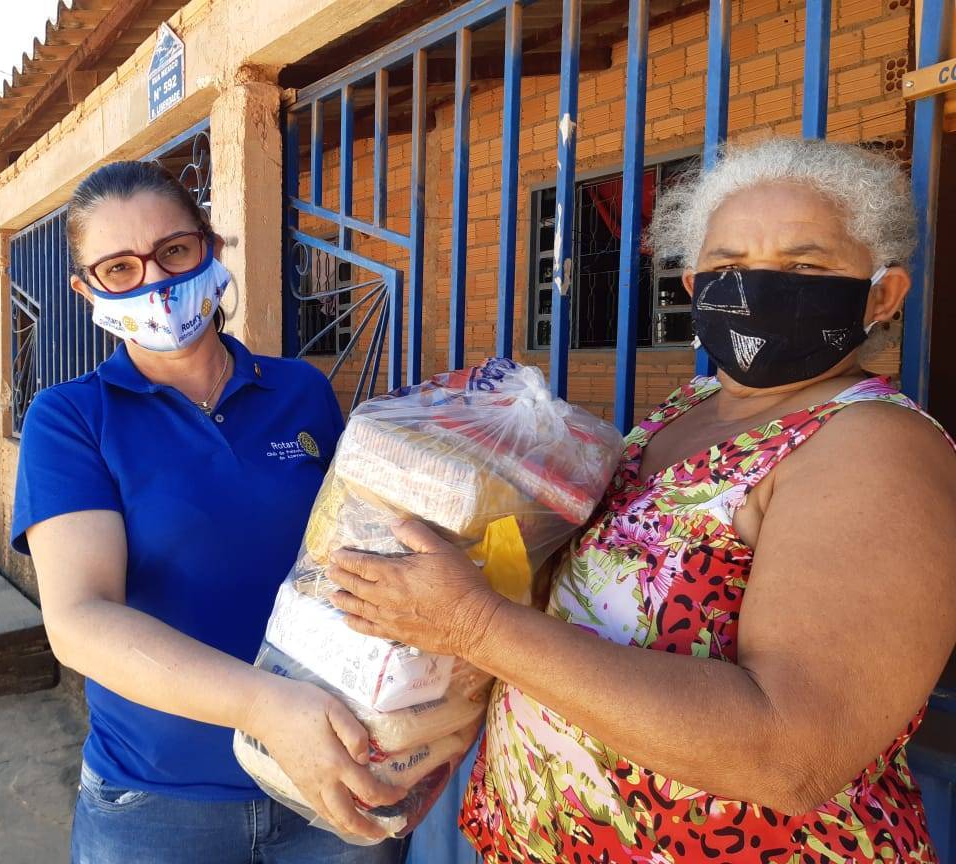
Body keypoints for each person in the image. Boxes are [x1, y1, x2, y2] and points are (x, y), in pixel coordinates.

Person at [326, 138, 956, 862]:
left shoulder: (875, 446)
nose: (755, 287)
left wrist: (472, 624)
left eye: (803, 267)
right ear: (693, 286)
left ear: (882, 293)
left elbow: (791, 754)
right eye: (728, 266)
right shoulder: (688, 408)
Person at [11, 161, 405, 863]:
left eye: (174, 252)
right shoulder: (72, 418)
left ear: (211, 248)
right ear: (86, 291)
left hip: (331, 780)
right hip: (157, 807)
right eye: (120, 269)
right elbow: (79, 620)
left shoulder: (302, 392)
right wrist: (261, 705)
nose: (155, 283)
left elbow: (350, 555)